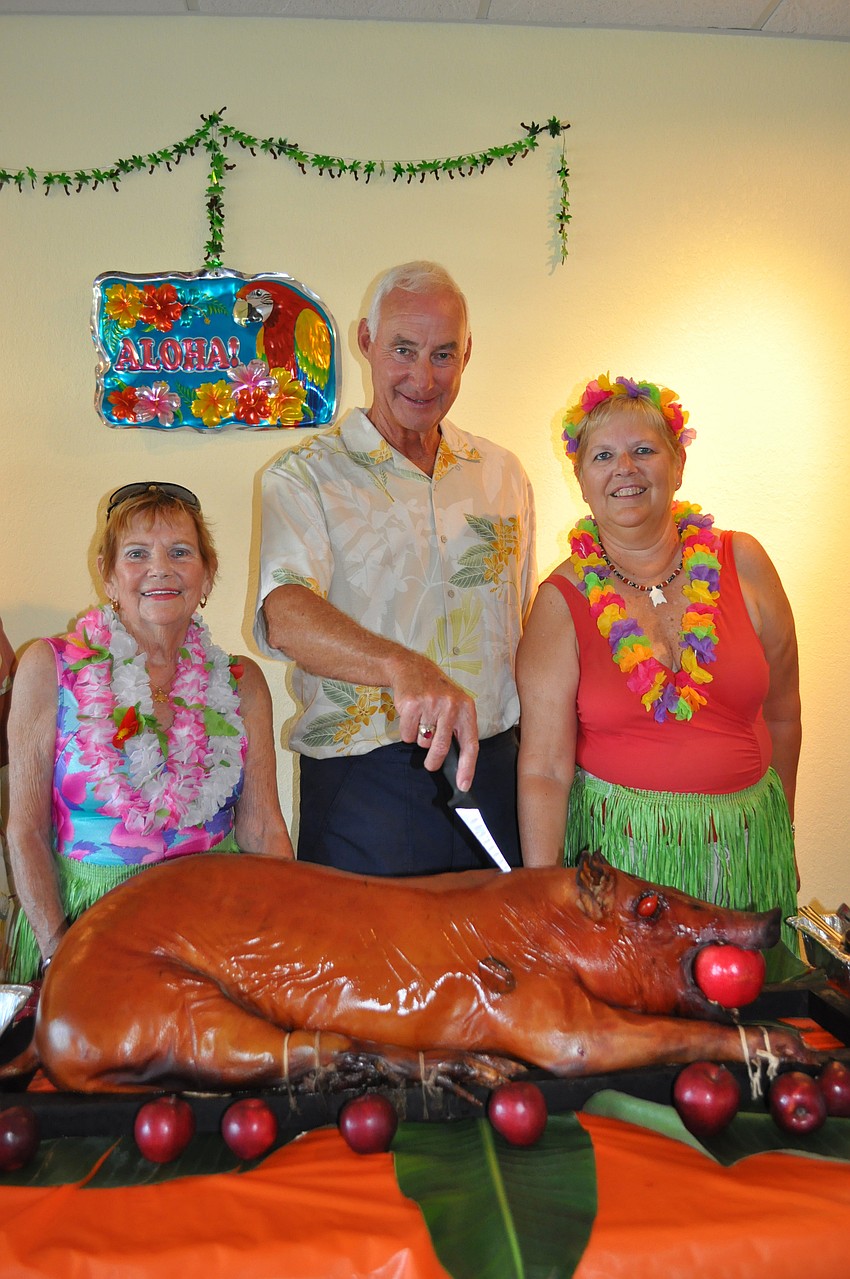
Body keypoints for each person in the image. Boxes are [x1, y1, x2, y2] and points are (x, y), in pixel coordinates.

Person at [254, 261, 536, 876]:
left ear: (467, 354)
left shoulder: (502, 474)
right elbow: (286, 616)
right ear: (365, 343)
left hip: (495, 773)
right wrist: (401, 667)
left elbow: (525, 623)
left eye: (443, 355)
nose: (422, 377)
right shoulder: (303, 476)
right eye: (402, 350)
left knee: (500, 971)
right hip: (365, 785)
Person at [516, 374, 801, 967]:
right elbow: (543, 768)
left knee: (751, 1026)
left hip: (743, 851)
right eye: (603, 455)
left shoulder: (742, 561)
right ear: (583, 481)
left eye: (643, 450)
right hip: (623, 871)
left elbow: (784, 708)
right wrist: (545, 899)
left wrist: (778, 829)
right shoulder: (560, 601)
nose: (625, 467)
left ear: (678, 464)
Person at [6, 481, 293, 983]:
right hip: (84, 928)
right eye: (137, 554)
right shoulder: (49, 668)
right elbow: (25, 831)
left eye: (181, 552)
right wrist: (61, 952)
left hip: (213, 933)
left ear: (206, 578)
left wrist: (293, 932)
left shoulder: (241, 684)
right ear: (109, 577)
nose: (160, 568)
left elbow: (262, 828)